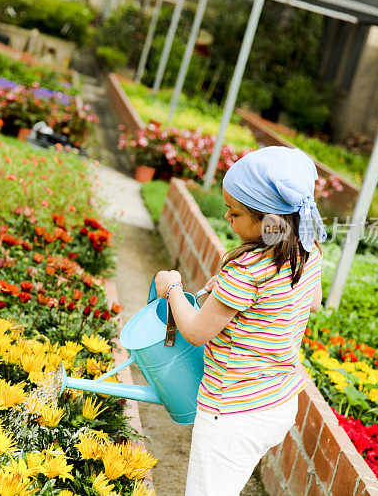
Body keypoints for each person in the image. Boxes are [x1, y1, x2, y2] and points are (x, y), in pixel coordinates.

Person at [153, 146, 327, 496]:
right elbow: (313, 301)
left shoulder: (247, 269)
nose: (228, 218)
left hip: (232, 412)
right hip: (277, 402)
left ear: (269, 221)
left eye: (234, 212)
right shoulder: (307, 251)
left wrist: (171, 288)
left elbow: (196, 331)